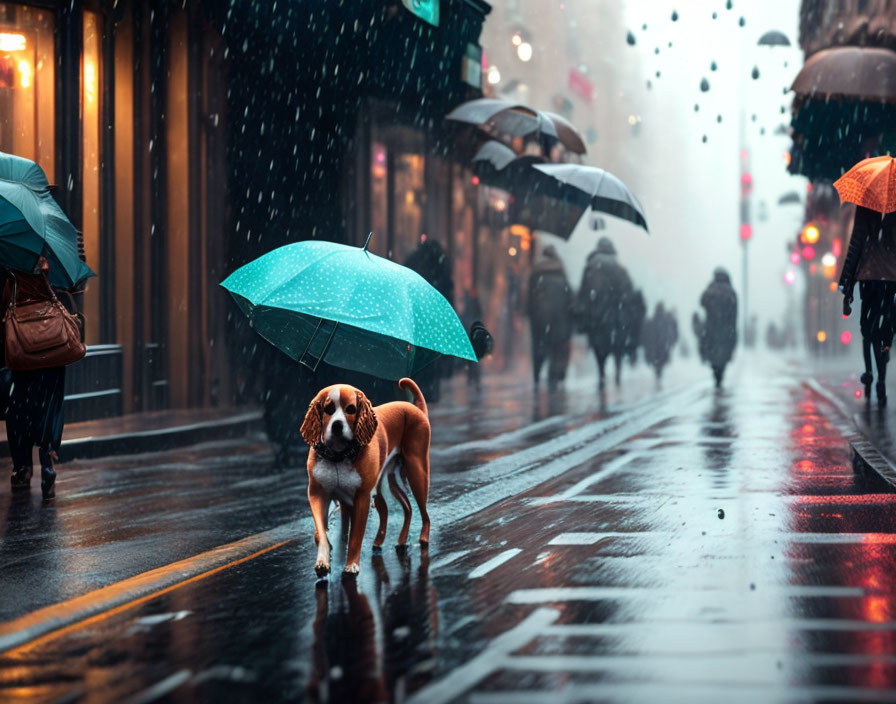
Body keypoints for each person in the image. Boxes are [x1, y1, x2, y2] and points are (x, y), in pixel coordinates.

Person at [3, 258, 82, 499]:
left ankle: (23, 467)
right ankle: (47, 460)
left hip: (22, 346)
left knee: (19, 407)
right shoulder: (53, 258)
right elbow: (73, 286)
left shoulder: (8, 261)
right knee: (50, 405)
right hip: (53, 342)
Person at [839, 206, 896, 405]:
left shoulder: (865, 205)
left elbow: (856, 244)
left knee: (868, 327)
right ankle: (879, 376)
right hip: (889, 275)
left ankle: (872, 373)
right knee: (883, 328)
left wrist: (847, 284)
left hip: (870, 274)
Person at [576, 237, 634, 389]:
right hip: (615, 314)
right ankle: (618, 370)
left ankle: (601, 372)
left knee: (599, 345)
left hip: (596, 315)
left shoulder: (590, 266)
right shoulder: (619, 268)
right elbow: (628, 292)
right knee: (617, 345)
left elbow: (583, 292)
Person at [404, 238, 455, 403]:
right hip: (432, 321)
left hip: (415, 319)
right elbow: (448, 293)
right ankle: (426, 394)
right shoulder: (441, 266)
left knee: (415, 361)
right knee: (429, 359)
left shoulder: (413, 262)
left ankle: (415, 392)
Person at [526, 245, 573, 390]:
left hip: (539, 318)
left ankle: (536, 376)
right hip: (558, 319)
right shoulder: (561, 273)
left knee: (538, 348)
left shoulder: (536, 273)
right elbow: (569, 300)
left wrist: (529, 313)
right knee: (555, 349)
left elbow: (529, 298)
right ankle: (552, 380)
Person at [694, 268, 738, 388]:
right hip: (726, 331)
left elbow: (702, 301)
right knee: (723, 357)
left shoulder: (711, 290)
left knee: (714, 357)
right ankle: (720, 376)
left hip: (711, 330)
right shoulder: (731, 292)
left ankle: (716, 376)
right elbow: (734, 316)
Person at [642, 302, 679, 381]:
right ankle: (658, 373)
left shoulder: (655, 320)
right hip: (661, 345)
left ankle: (658, 373)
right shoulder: (664, 320)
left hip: (658, 345)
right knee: (660, 361)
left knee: (658, 361)